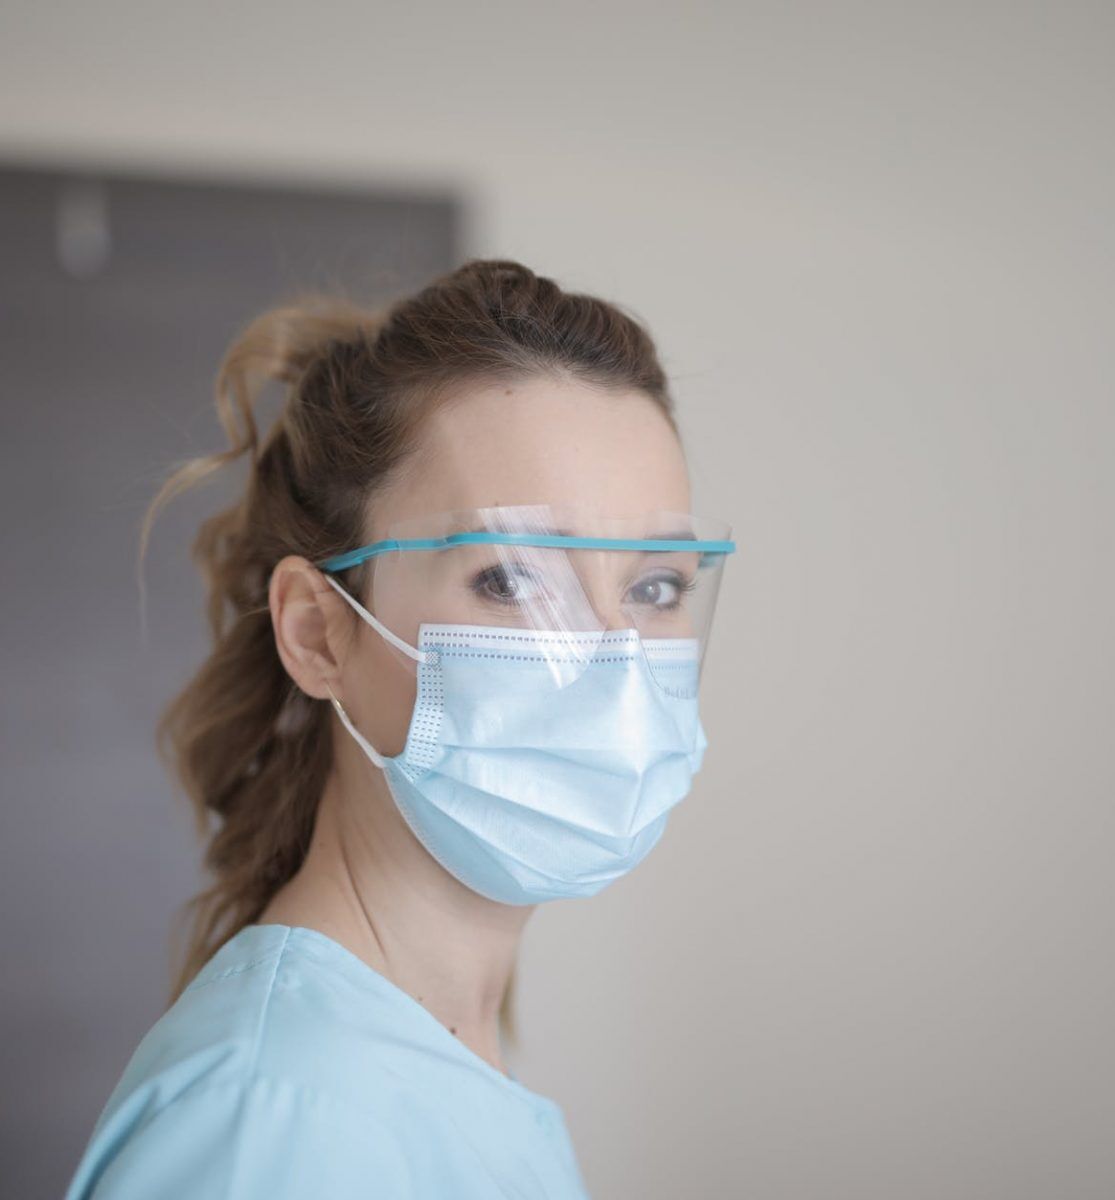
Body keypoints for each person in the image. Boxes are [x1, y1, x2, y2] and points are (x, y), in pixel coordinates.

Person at [64, 258, 735, 1198]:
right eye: (510, 579)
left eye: (656, 587)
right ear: (317, 632)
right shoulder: (269, 1119)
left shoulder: (431, 1055)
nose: (614, 668)